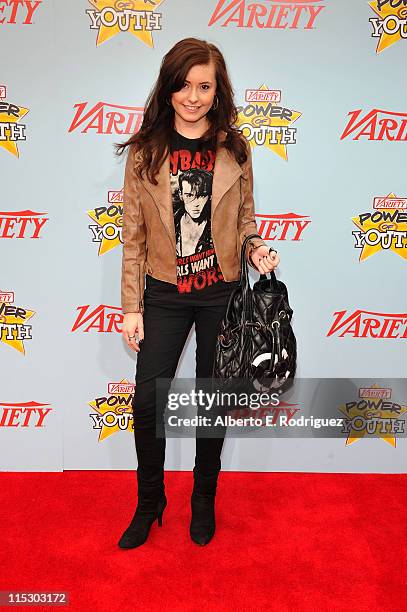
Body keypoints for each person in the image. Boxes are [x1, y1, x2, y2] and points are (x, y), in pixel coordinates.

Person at [114, 37, 280, 549]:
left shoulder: (235, 147)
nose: (193, 96)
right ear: (168, 88)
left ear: (217, 89)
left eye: (204, 86)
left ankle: (203, 498)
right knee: (147, 402)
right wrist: (131, 306)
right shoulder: (146, 151)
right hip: (163, 292)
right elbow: (133, 235)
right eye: (184, 85)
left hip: (222, 294)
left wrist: (255, 249)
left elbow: (246, 219)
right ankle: (150, 500)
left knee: (214, 401)